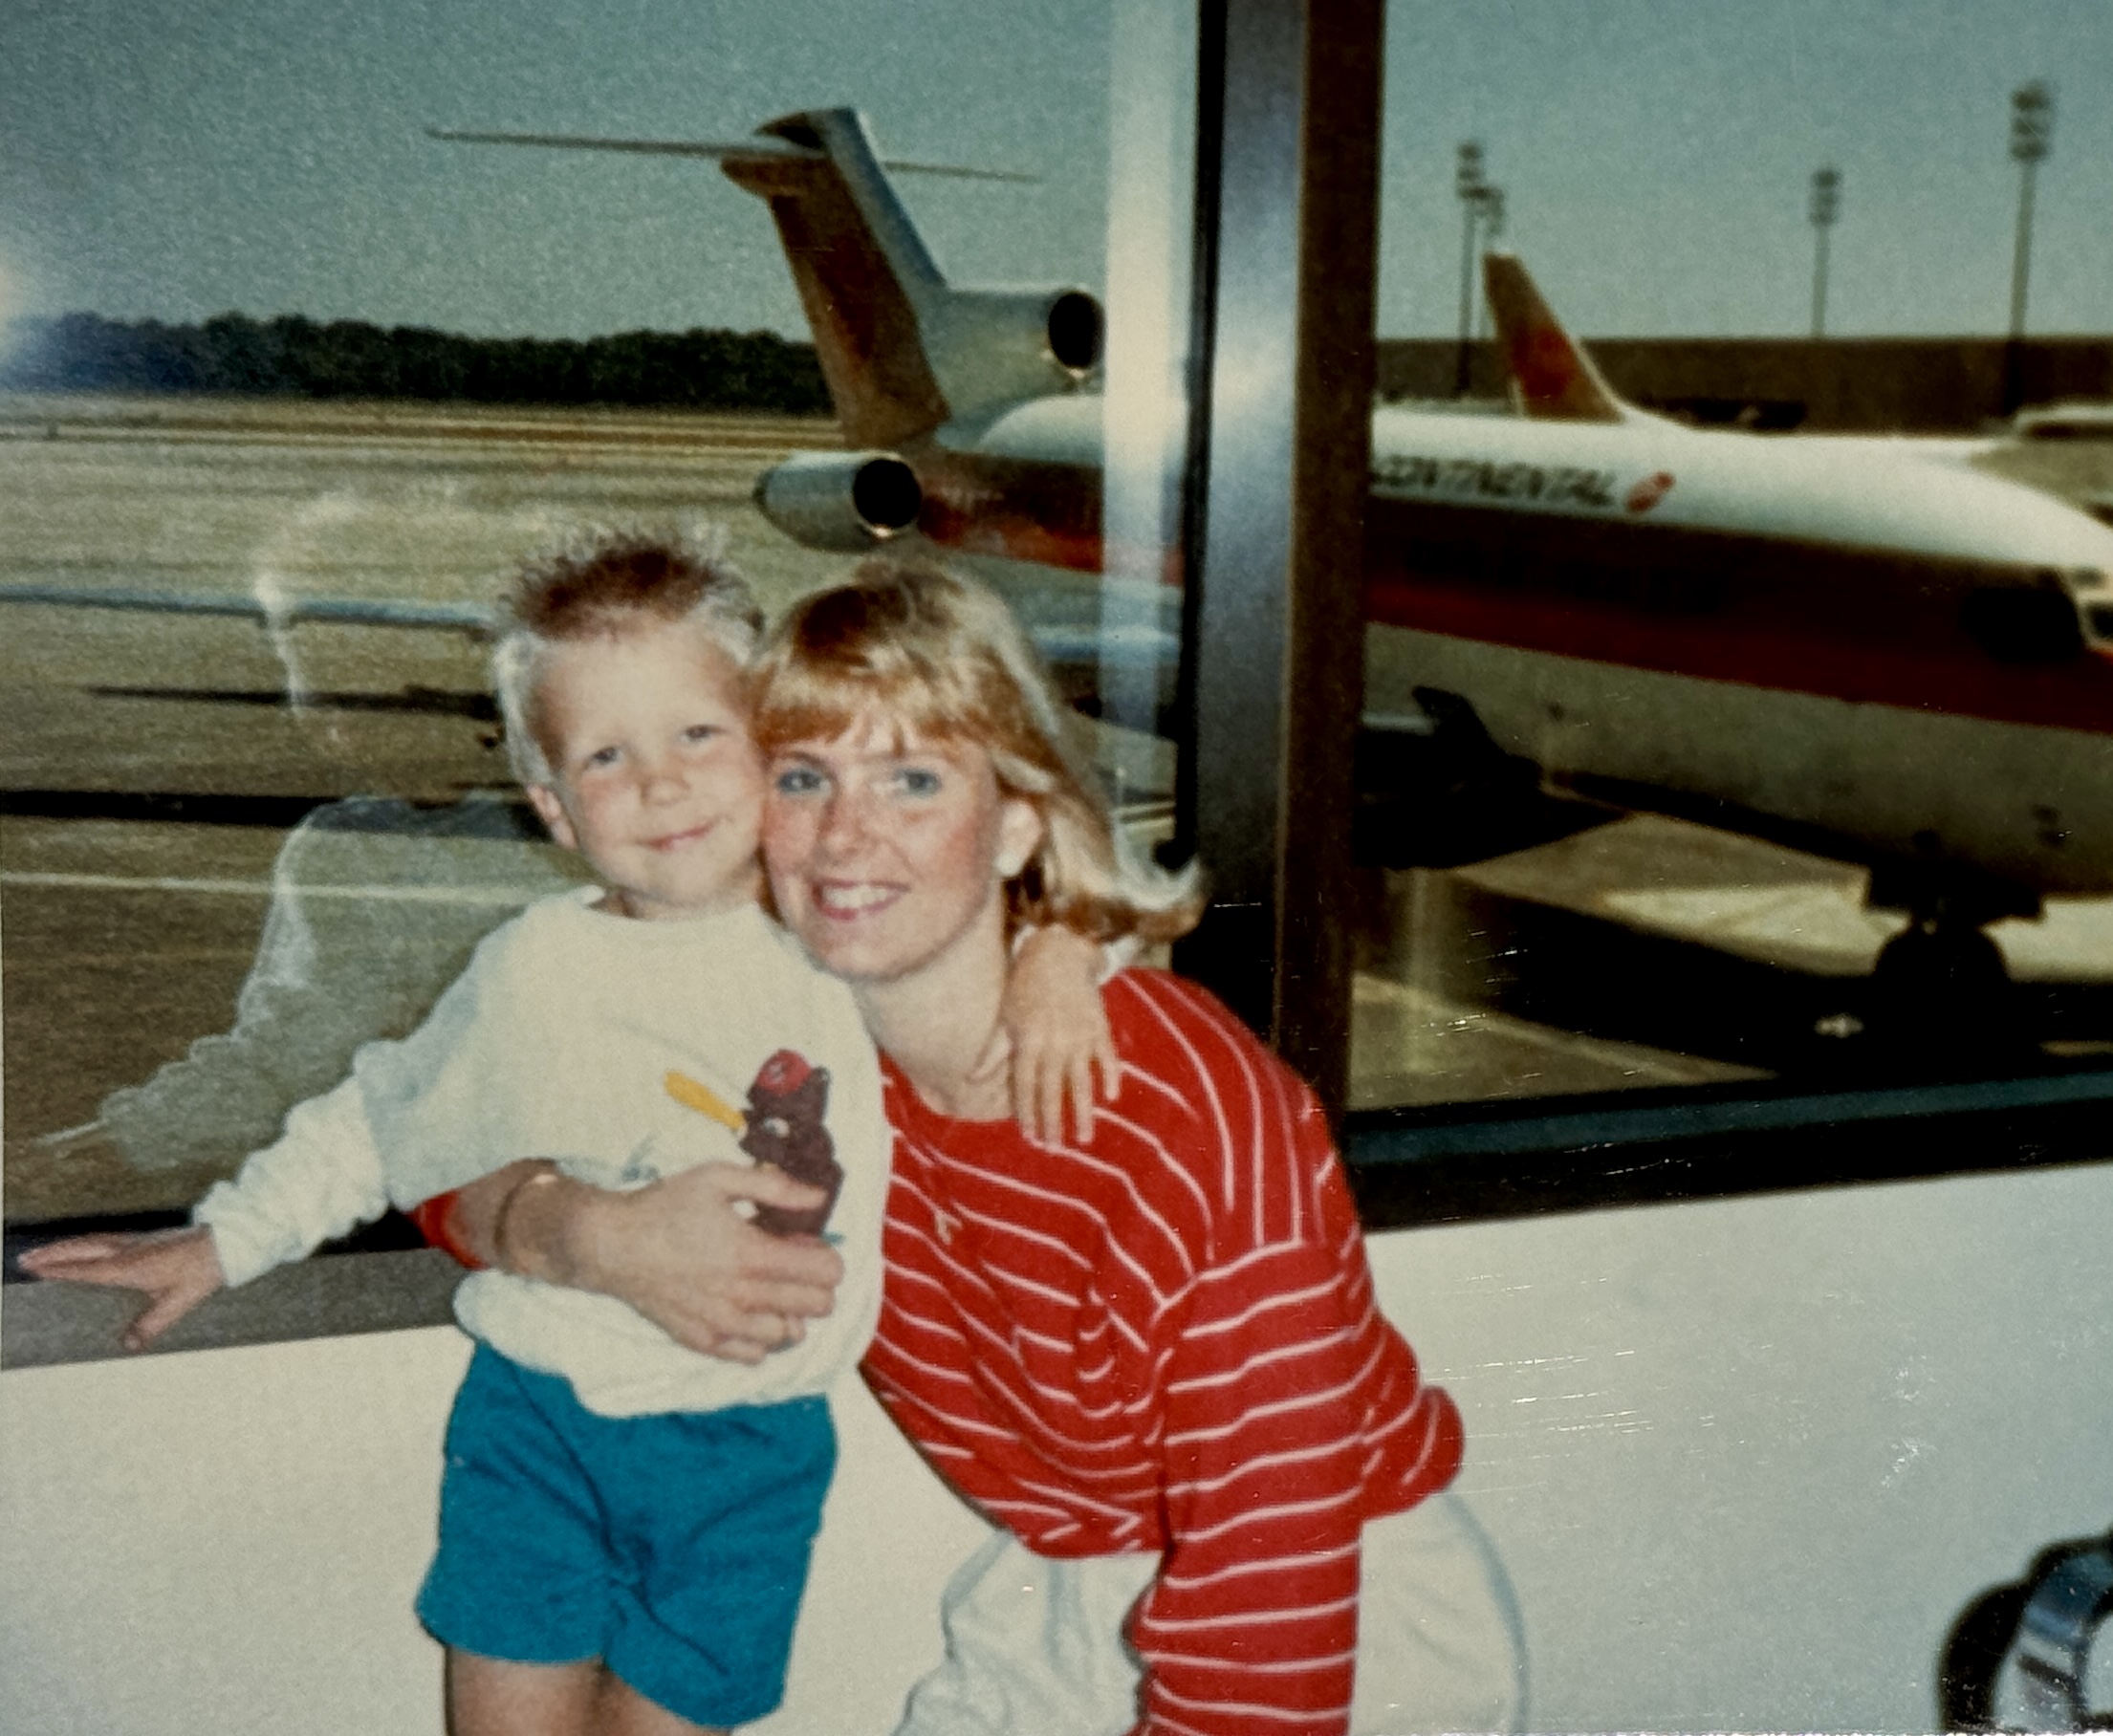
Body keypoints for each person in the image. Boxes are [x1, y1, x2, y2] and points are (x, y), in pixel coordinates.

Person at [19, 531, 1112, 1736]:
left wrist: (1059, 950)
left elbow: (1020, 886)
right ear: (552, 807)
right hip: (537, 1424)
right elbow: (385, 1116)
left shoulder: (843, 927)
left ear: (771, 742)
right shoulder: (533, 966)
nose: (660, 783)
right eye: (606, 755)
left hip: (749, 1452)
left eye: (697, 733)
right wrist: (220, 1241)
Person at [427, 557, 1527, 1735]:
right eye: (803, 777)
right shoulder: (789, 1038)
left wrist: (1076, 931)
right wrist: (578, 1233)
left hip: (1335, 1611)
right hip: (1070, 1578)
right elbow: (429, 1155)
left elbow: (1266, 1604)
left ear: (1014, 824)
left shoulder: (1179, 1108)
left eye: (911, 780)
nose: (845, 834)